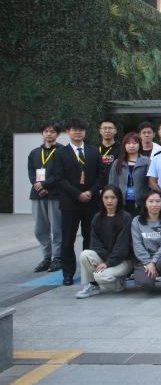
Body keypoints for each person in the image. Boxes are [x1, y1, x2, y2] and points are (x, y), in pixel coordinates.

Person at [54, 118, 103, 286]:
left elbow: (101, 175)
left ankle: (89, 272)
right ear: (68, 132)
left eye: (81, 130)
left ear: (85, 132)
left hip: (91, 202)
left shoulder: (93, 151)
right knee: (68, 239)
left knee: (90, 238)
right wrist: (77, 194)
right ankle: (67, 273)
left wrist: (90, 192)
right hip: (70, 203)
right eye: (74, 129)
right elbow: (59, 178)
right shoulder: (60, 153)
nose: (78, 132)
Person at [74, 185, 133, 298]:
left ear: (118, 199)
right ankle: (93, 285)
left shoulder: (126, 217)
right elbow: (94, 244)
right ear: (102, 199)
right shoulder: (97, 218)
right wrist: (106, 261)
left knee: (100, 276)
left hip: (123, 260)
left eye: (113, 197)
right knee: (85, 255)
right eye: (106, 197)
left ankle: (119, 280)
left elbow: (122, 247)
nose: (109, 201)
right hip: (106, 258)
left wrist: (107, 263)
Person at [28, 122, 63, 273]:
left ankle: (58, 257)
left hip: (55, 194)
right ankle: (46, 257)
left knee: (57, 228)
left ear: (58, 134)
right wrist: (37, 185)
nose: (49, 134)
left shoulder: (63, 151)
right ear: (42, 133)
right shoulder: (35, 153)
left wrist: (45, 185)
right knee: (40, 229)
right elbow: (31, 172)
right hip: (37, 195)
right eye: (46, 131)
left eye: (52, 131)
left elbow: (61, 173)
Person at [131, 189, 161, 293]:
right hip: (143, 261)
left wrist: (153, 261)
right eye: (151, 201)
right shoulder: (136, 221)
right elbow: (137, 245)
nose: (154, 204)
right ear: (145, 203)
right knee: (146, 285)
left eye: (158, 201)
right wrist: (148, 262)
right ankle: (150, 277)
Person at [108, 132, 151, 215]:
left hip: (140, 203)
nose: (131, 146)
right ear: (124, 145)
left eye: (135, 143)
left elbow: (150, 183)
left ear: (139, 145)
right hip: (122, 202)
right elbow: (112, 183)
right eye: (128, 143)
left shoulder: (146, 161)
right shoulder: (117, 162)